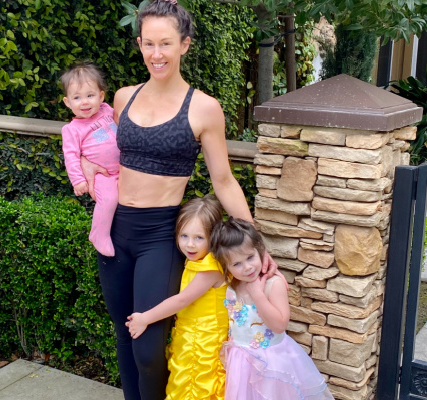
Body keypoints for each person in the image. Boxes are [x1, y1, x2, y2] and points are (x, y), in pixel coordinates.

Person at [79, 1, 279, 398]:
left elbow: (223, 181)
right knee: (124, 334)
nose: (156, 54)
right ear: (139, 44)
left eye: (166, 43)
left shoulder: (204, 108)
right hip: (115, 230)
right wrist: (86, 167)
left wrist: (255, 242)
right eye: (148, 43)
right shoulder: (122, 98)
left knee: (149, 348)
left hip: (160, 235)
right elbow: (108, 153)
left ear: (184, 44)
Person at [211, 218, 334, 400]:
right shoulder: (231, 287)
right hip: (241, 364)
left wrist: (258, 295)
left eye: (250, 257)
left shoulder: (272, 284)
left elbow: (279, 325)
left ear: (261, 250)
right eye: (236, 264)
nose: (247, 267)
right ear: (226, 267)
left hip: (273, 363)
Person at [126, 196, 228, 399]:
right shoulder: (199, 260)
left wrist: (145, 318)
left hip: (204, 340)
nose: (190, 244)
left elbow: (182, 300)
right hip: (190, 334)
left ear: (214, 236)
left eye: (199, 238)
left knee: (195, 386)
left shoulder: (211, 267)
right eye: (184, 236)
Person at [60, 62, 119, 256]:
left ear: (101, 96)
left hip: (125, 169)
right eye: (77, 98)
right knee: (109, 199)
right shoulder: (72, 129)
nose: (84, 102)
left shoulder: (108, 112)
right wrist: (78, 181)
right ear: (67, 102)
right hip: (104, 176)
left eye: (90, 95)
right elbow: (71, 156)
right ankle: (99, 234)